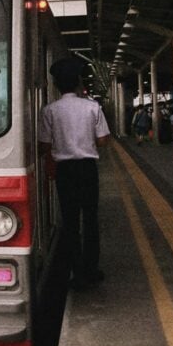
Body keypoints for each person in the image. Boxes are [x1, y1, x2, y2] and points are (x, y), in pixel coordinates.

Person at [38, 57, 110, 291]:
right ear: (79, 82)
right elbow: (102, 141)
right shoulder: (92, 107)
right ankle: (91, 270)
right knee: (90, 219)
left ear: (57, 86)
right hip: (87, 168)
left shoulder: (49, 111)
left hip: (65, 171)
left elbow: (44, 146)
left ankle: (76, 272)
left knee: (70, 223)